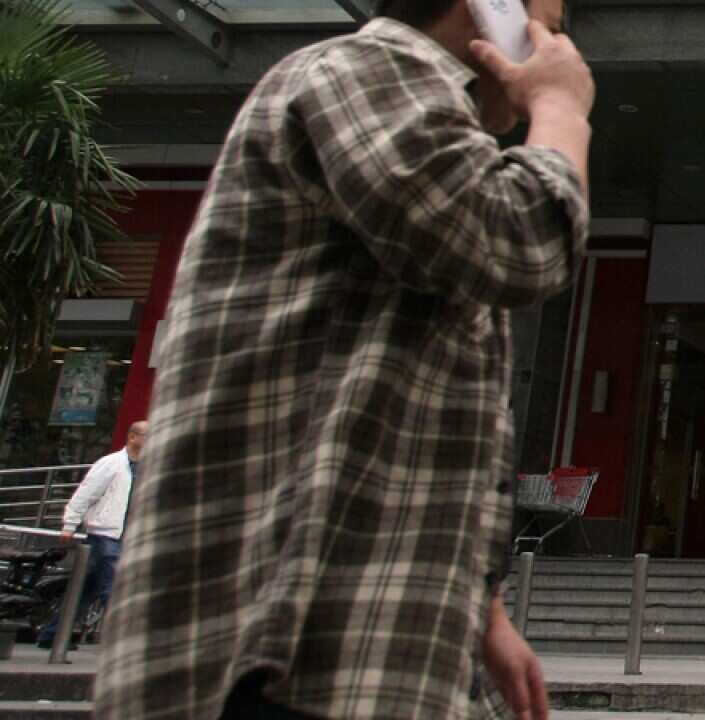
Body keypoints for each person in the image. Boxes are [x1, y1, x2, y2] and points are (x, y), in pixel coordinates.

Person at [91, 0, 593, 716]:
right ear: (493, 10)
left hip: (344, 628)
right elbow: (516, 241)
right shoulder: (367, 71)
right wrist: (561, 107)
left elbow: (384, 390)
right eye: (551, 17)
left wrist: (478, 608)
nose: (561, 40)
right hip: (280, 638)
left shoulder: (422, 125)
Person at [36, 420, 147, 649]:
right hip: (104, 534)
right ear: (133, 437)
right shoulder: (111, 464)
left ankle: (52, 635)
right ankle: (128, 641)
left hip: (126, 535)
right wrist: (70, 523)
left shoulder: (147, 468)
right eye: (148, 436)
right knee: (113, 586)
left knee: (87, 588)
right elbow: (86, 493)